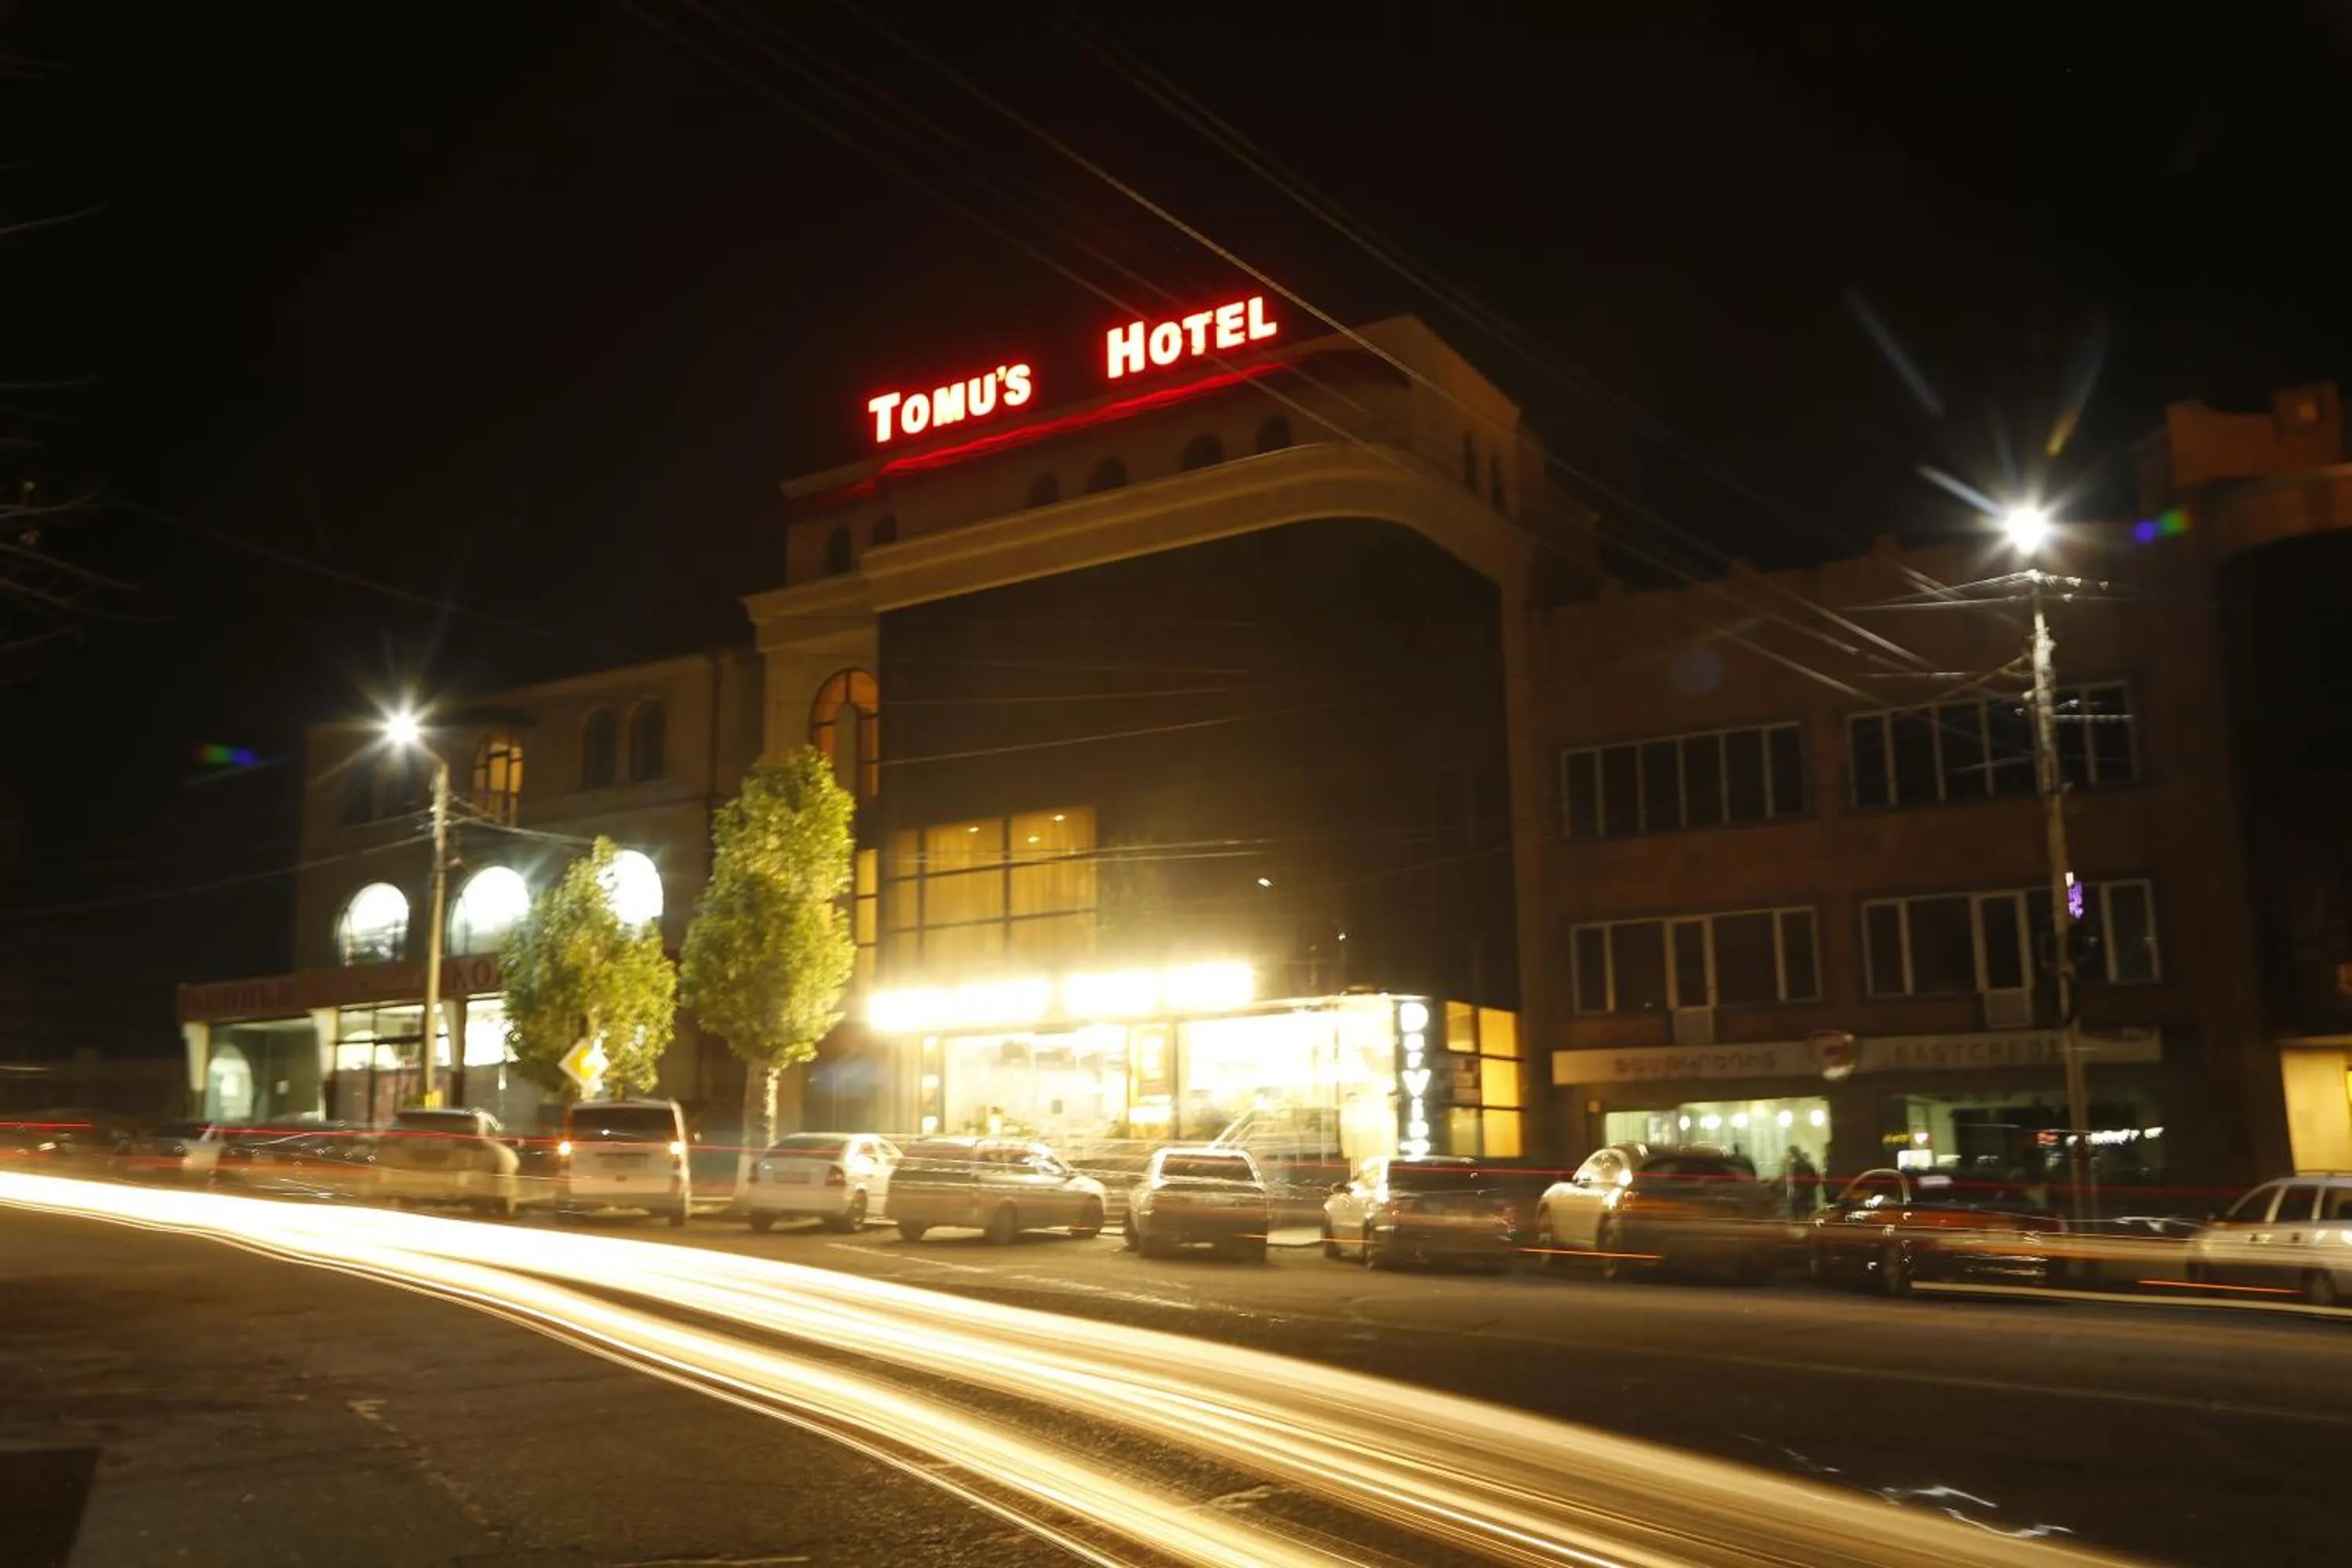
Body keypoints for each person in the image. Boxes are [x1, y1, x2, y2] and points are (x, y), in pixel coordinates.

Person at [1784, 1144, 1820, 1219]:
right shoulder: (1808, 1165)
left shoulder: (1795, 1165)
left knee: (1797, 1211)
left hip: (1800, 1191)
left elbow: (1792, 1180)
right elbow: (1816, 1179)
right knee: (1807, 1213)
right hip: (1808, 1192)